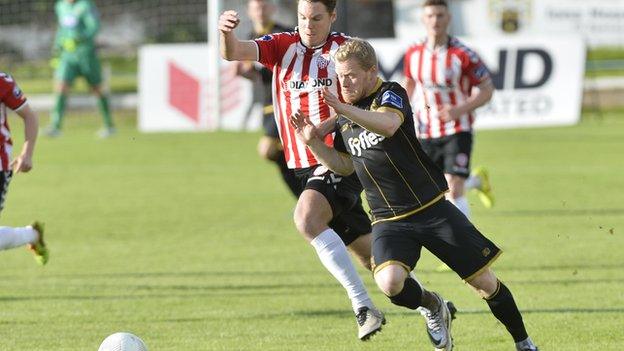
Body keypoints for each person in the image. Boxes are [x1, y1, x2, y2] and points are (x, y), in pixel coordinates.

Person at [291, 38, 538, 351]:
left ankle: (525, 344)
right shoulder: (346, 117)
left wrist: (342, 110)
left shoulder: (390, 92)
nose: (345, 82)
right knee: (389, 282)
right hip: (388, 220)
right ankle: (434, 305)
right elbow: (344, 167)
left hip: (431, 209)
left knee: (484, 283)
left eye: (351, 75)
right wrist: (314, 143)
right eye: (340, 77)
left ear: (371, 71)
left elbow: (389, 125)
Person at [219, 0, 386, 340]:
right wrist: (225, 33)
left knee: (306, 219)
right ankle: (431, 303)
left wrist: (322, 128)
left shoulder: (345, 50)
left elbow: (365, 102)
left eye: (317, 18)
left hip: (336, 158)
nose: (309, 25)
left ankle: (363, 307)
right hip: (298, 164)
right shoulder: (281, 45)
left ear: (332, 17)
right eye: (303, 17)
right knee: (378, 265)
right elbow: (233, 52)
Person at [403, 0, 494, 219]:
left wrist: (459, 109)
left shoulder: (464, 55)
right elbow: (409, 83)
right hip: (425, 130)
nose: (435, 21)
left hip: (457, 128)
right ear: (423, 19)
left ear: (448, 18)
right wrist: (400, 113)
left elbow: (486, 89)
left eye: (440, 15)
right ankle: (476, 180)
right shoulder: (413, 53)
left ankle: (467, 246)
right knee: (435, 189)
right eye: (431, 16)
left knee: (453, 186)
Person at [236, 0, 301, 198]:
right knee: (278, 154)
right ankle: (306, 194)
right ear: (249, 11)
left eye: (264, 7)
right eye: (256, 7)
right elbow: (257, 75)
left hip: (284, 102)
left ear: (272, 9)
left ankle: (309, 194)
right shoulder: (250, 38)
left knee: (266, 149)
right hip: (267, 104)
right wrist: (244, 73)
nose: (260, 11)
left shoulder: (283, 34)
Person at [45, 0, 115, 138]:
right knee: (61, 86)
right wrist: (57, 46)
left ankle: (109, 125)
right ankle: (55, 126)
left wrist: (80, 38)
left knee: (97, 88)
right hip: (67, 56)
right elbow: (62, 28)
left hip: (86, 54)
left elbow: (94, 26)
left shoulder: (85, 5)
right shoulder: (60, 6)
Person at [0, 72, 49, 266]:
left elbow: (29, 116)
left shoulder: (2, 81)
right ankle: (32, 235)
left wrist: (26, 153)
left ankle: (31, 235)